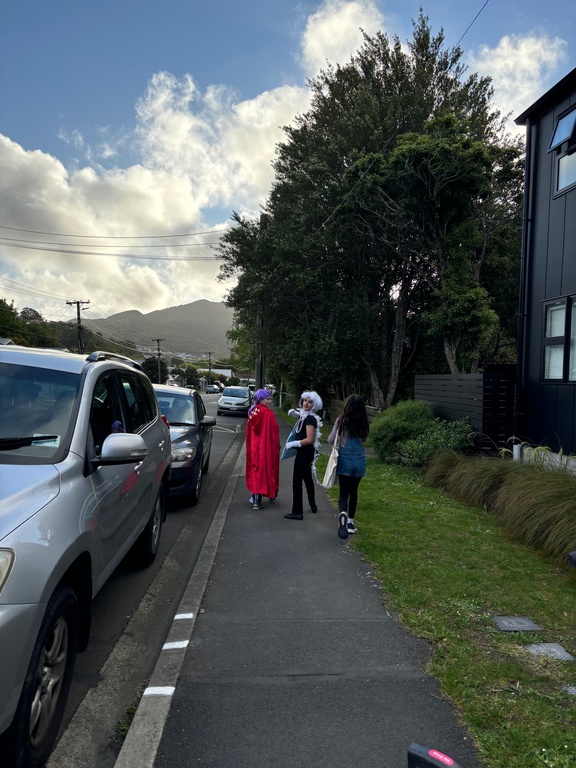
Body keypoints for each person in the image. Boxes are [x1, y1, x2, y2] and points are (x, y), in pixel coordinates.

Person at [327, 394, 369, 540]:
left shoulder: (341, 422)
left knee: (343, 493)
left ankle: (342, 514)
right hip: (359, 461)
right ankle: (350, 522)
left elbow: (330, 439)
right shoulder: (364, 422)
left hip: (344, 460)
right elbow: (364, 439)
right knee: (354, 491)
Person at [284, 390, 323, 521]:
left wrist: (294, 443)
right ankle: (313, 505)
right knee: (307, 479)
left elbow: (309, 439)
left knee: (297, 481)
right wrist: (296, 414)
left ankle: (297, 512)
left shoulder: (310, 419)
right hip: (306, 453)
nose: (306, 403)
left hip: (304, 453)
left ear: (314, 405)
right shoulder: (305, 416)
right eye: (305, 400)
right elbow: (302, 417)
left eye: (310, 402)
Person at [245, 389, 280, 510]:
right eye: (268, 399)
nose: (270, 401)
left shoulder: (252, 412)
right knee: (268, 469)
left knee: (256, 470)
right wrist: (276, 445)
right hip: (266, 448)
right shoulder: (268, 414)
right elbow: (274, 433)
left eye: (271, 399)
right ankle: (271, 493)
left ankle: (256, 498)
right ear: (260, 399)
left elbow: (249, 432)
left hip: (255, 447)